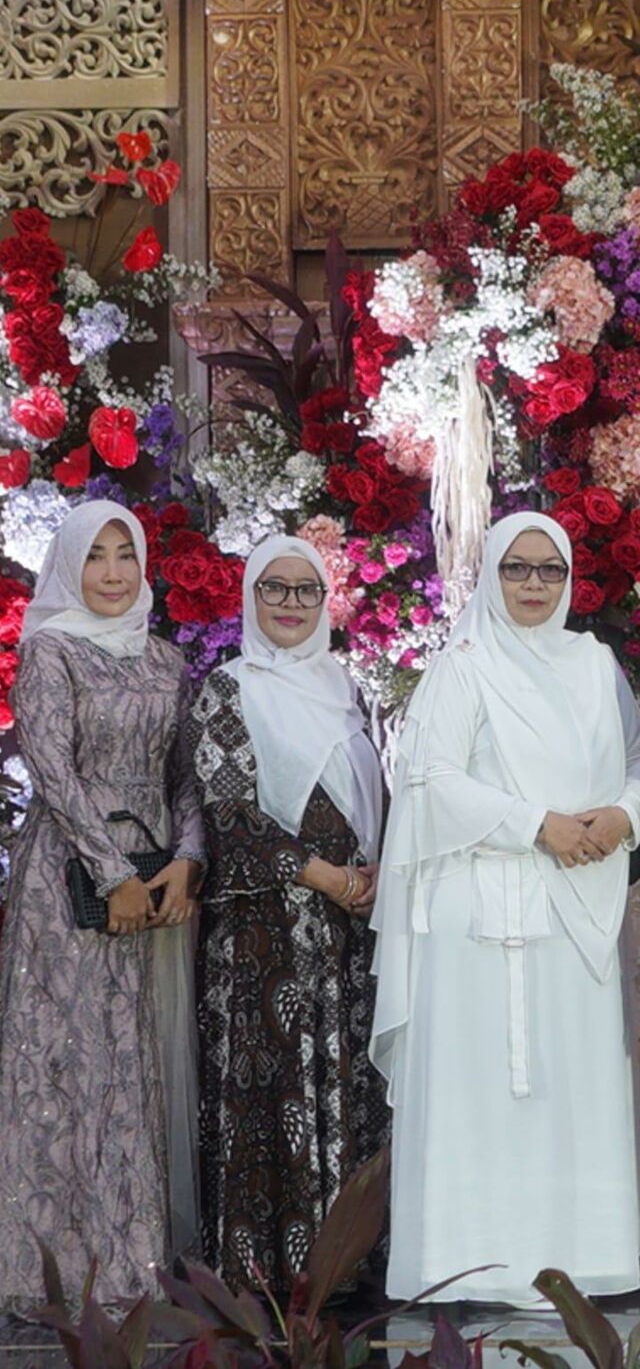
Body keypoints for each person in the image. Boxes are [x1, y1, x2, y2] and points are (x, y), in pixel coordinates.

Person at [370, 511, 640, 1308]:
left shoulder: (595, 665)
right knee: (477, 1088)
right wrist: (535, 824)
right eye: (516, 568)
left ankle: (586, 1260)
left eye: (550, 570)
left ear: (569, 580)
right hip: (478, 910)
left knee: (573, 1082)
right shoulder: (464, 666)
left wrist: (624, 815)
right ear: (491, 575)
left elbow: (635, 763)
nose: (533, 584)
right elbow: (432, 780)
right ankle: (469, 1264)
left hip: (576, 906)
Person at [0, 500, 205, 1312]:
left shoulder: (165, 659)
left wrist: (187, 861)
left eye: (126, 554)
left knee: (136, 1060)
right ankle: (56, 1269)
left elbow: (185, 774)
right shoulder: (50, 650)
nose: (114, 573)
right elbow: (51, 769)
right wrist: (112, 872)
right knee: (71, 1059)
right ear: (68, 566)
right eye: (96, 556)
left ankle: (134, 1259)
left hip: (155, 883)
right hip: (68, 881)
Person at [188, 534, 388, 1292]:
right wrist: (328, 878)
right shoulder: (228, 688)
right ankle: (266, 1276)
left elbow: (377, 799)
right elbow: (230, 813)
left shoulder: (346, 689)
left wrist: (375, 873)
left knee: (345, 1082)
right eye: (275, 587)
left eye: (307, 589)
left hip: (346, 929)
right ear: (251, 596)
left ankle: (345, 1267)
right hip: (263, 932)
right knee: (273, 1093)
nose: (292, 603)